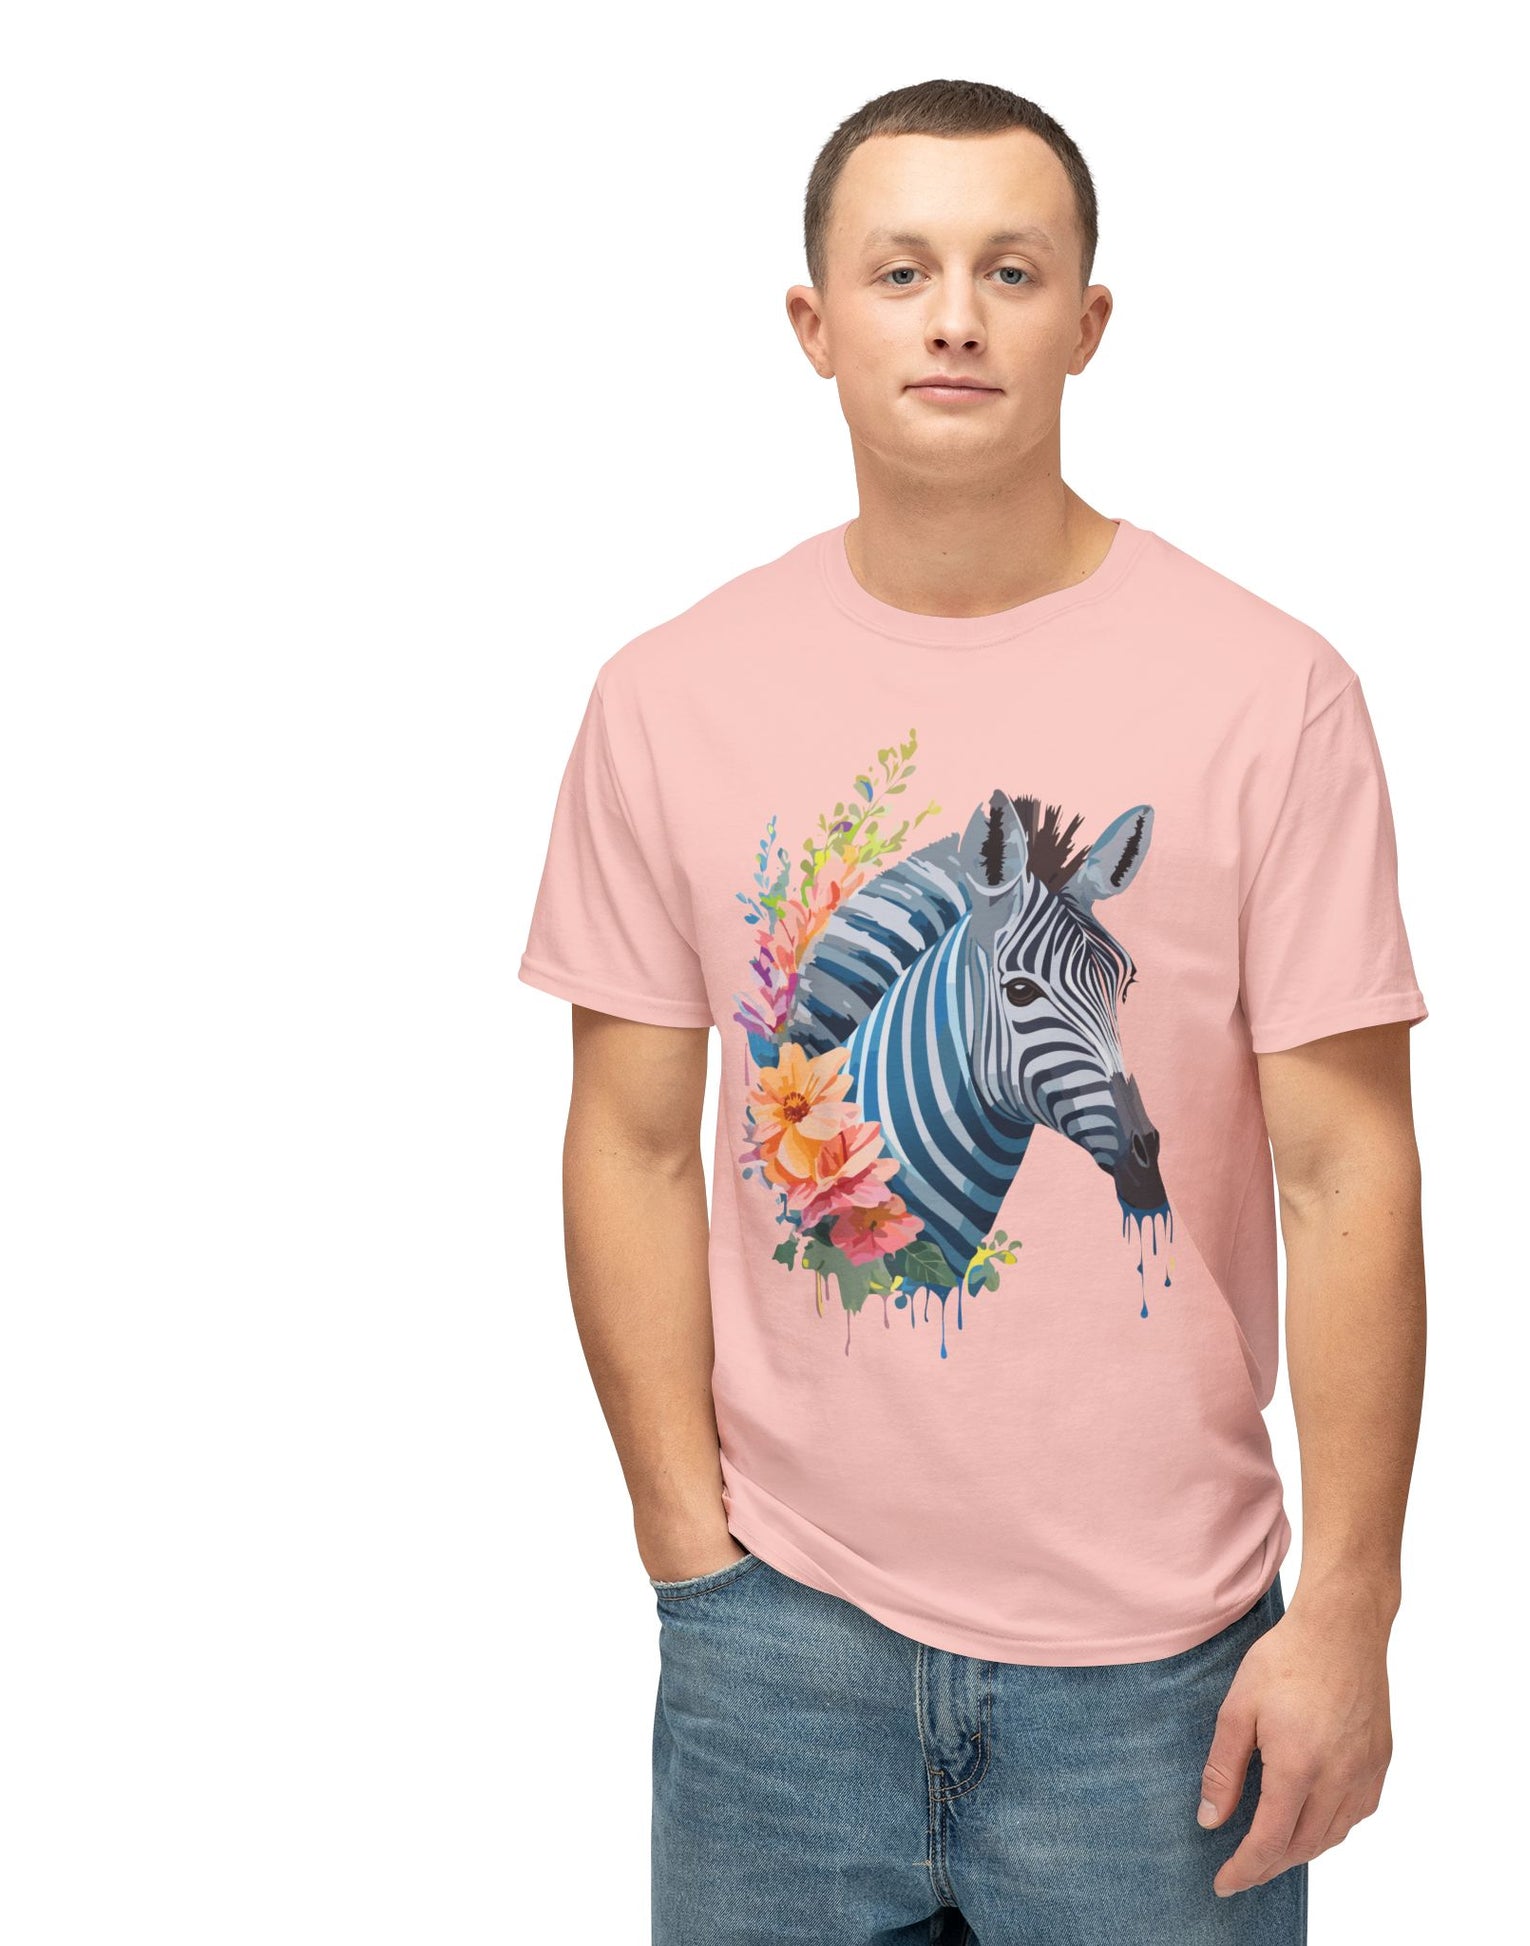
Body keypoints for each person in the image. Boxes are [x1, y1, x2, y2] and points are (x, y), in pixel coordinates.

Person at [519, 77, 1428, 1945]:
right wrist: (689, 1550)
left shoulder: (1269, 692)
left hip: (1162, 1672)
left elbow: (1345, 1169)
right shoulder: (667, 694)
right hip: (778, 1649)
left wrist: (1349, 1605)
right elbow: (627, 1140)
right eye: (901, 270)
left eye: (1009, 272)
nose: (953, 318)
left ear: (1086, 322)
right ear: (814, 323)